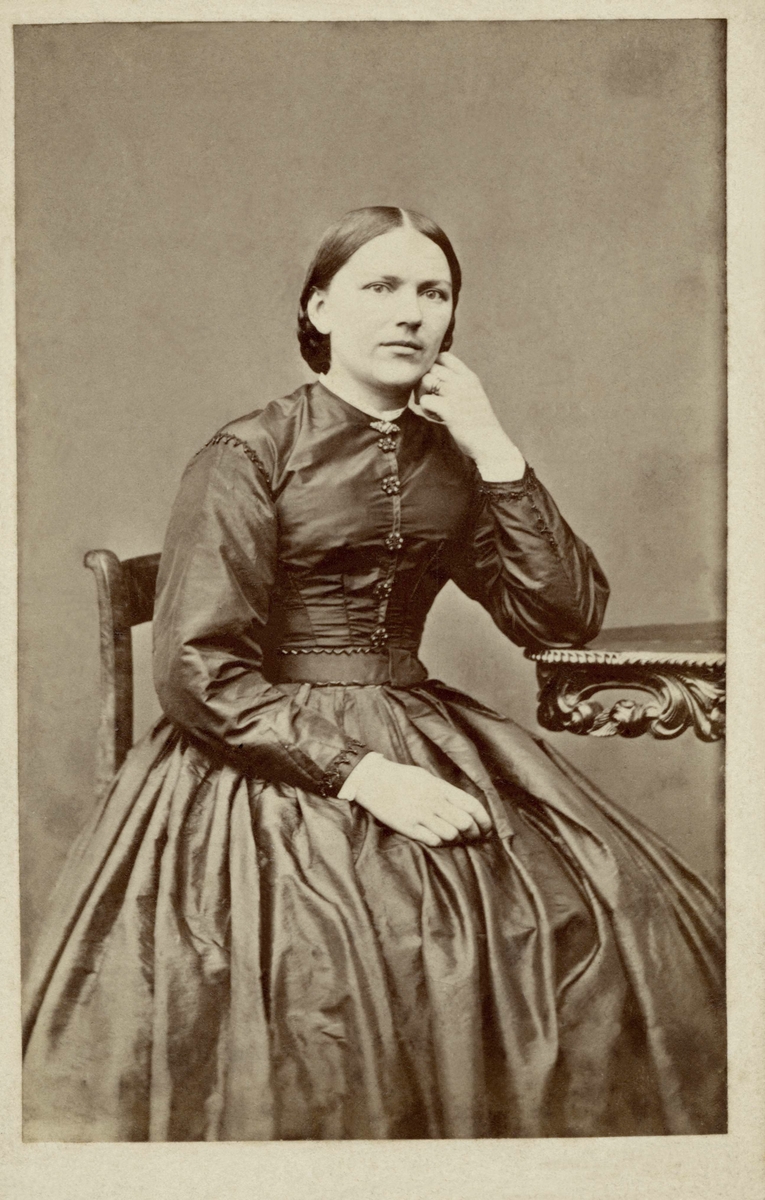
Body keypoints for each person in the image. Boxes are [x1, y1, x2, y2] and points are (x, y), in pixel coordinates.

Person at [22, 206, 725, 1142]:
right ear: (320, 309)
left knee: (614, 913)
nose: (409, 313)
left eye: (433, 292)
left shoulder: (454, 456)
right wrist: (363, 775)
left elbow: (558, 618)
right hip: (259, 759)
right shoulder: (248, 453)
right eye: (380, 287)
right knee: (354, 948)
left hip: (420, 717)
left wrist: (494, 448)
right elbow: (197, 669)